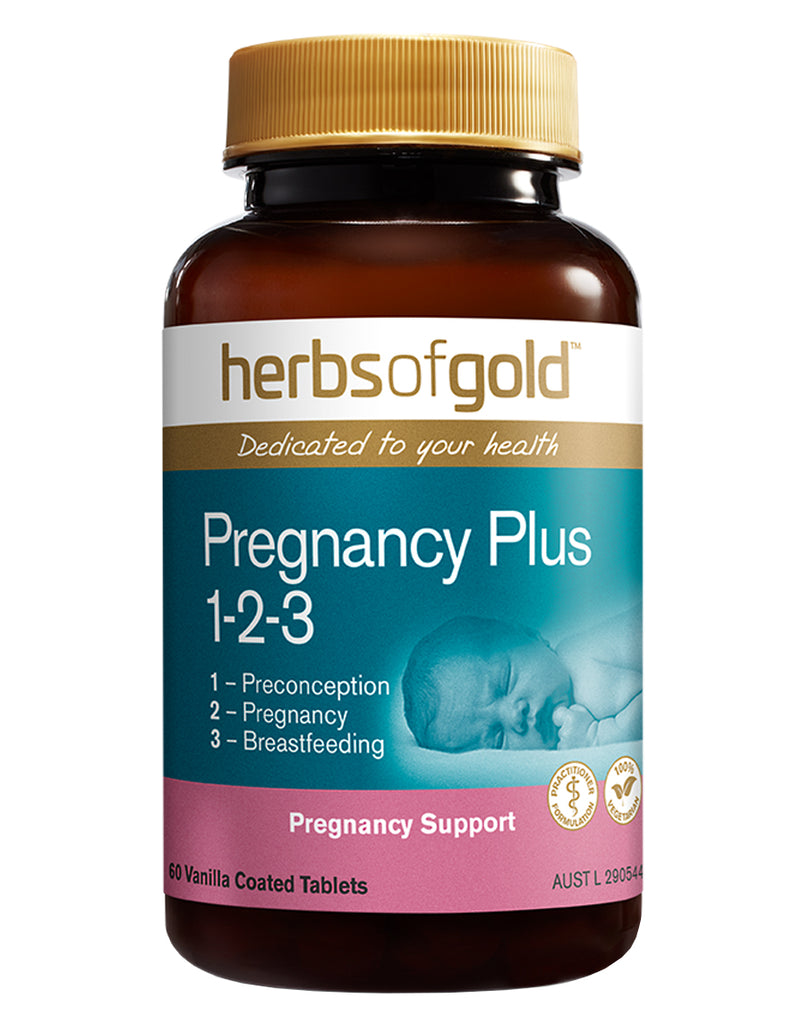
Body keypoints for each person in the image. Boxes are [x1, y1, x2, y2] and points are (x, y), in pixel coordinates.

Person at [401, 605, 641, 752]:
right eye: (498, 739)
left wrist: (597, 737)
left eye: (505, 681)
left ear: (531, 635)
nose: (515, 716)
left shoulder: (581, 663)